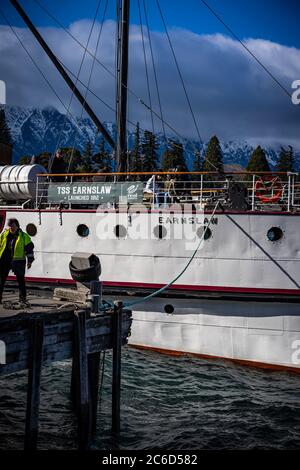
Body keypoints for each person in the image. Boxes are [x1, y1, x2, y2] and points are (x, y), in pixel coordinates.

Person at [0, 218, 34, 305]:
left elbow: (29, 249)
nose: (12, 228)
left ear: (17, 226)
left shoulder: (23, 236)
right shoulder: (4, 234)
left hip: (18, 261)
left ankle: (22, 299)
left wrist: (30, 261)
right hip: (5, 260)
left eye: (13, 226)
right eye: (10, 226)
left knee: (20, 280)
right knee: (1, 279)